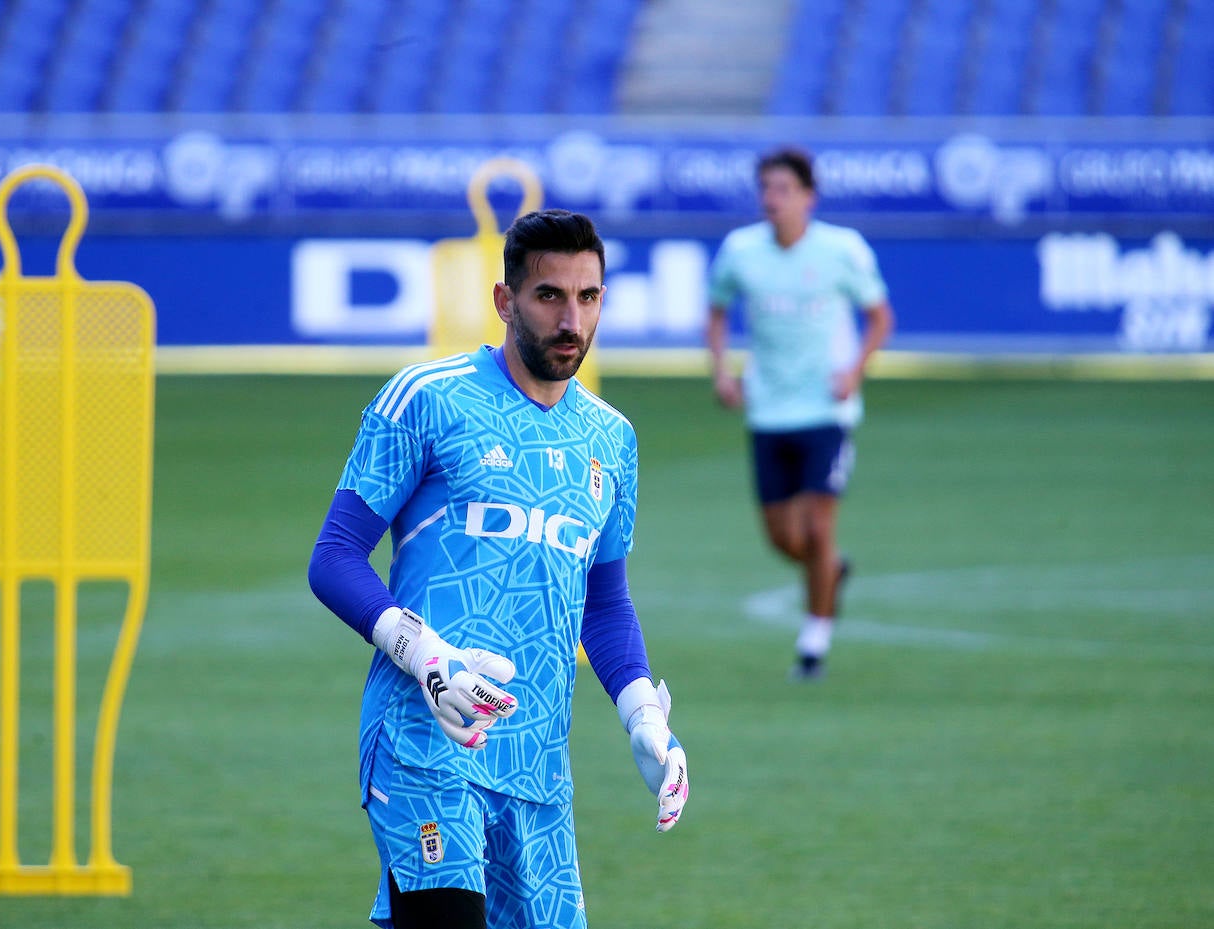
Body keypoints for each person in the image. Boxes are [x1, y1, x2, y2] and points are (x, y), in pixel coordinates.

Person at [309, 209, 689, 929]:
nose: (571, 318)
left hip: (539, 766)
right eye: (550, 295)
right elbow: (333, 556)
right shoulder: (428, 398)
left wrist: (644, 715)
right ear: (505, 301)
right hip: (427, 739)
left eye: (588, 296)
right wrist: (426, 655)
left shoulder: (612, 438)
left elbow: (603, 604)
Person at [707, 147, 894, 681]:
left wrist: (856, 369)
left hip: (827, 411)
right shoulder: (740, 251)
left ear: (808, 197)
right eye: (766, 188)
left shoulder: (842, 250)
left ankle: (813, 643)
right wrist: (722, 371)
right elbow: (716, 311)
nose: (772, 199)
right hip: (768, 411)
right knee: (785, 540)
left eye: (783, 189)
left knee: (817, 524)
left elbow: (880, 316)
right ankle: (830, 572)